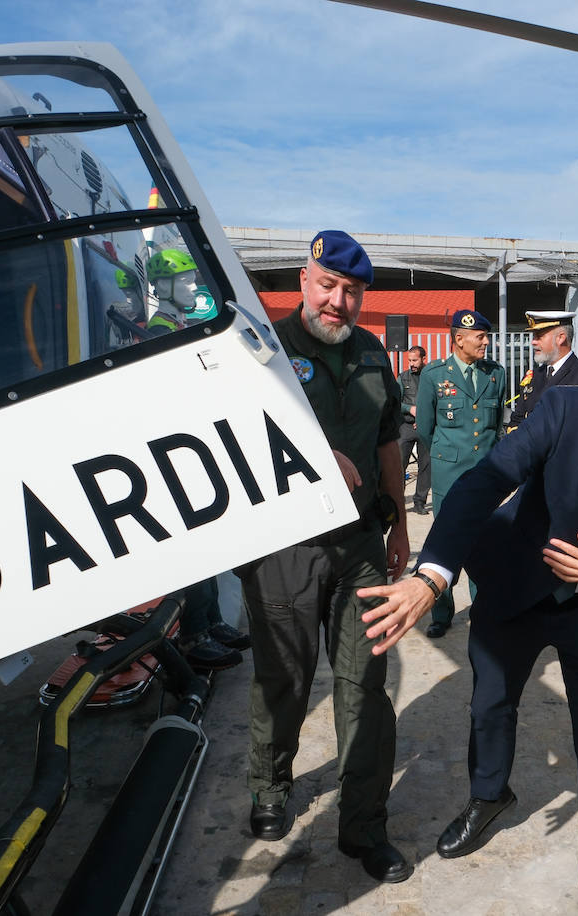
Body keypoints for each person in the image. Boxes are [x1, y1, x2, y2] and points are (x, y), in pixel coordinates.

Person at [359, 362, 578, 916]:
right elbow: (483, 483)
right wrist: (433, 574)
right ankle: (488, 796)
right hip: (517, 582)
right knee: (490, 704)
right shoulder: (569, 411)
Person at [236, 230, 414, 884]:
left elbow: (389, 438)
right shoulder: (265, 352)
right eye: (328, 286)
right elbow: (236, 441)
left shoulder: (372, 354)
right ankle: (271, 787)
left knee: (364, 683)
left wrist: (396, 524)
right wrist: (311, 454)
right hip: (284, 545)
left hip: (362, 545)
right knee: (283, 675)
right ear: (303, 282)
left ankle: (363, 826)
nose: (339, 302)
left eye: (353, 292)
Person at [414, 310, 507, 637]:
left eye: (486, 335)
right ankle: (442, 613)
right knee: (445, 544)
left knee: (484, 545)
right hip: (448, 475)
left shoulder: (496, 374)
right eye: (480, 337)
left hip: (485, 476)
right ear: (459, 339)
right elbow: (425, 428)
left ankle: (483, 611)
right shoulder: (434, 375)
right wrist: (448, 455)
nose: (486, 342)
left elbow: (497, 426)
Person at [505, 310, 578, 432]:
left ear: (561, 338)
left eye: (539, 336)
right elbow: (517, 419)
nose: (533, 342)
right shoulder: (533, 377)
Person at [143, 248, 218, 331]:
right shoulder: (160, 330)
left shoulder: (175, 321)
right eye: (186, 282)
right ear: (163, 285)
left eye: (193, 281)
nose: (194, 288)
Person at [396, 345, 431, 516]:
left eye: (415, 360)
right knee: (398, 465)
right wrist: (410, 409)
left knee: (425, 465)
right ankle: (397, 501)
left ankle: (419, 502)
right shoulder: (403, 378)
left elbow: (438, 401)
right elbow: (395, 401)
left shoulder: (431, 377)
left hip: (426, 427)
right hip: (407, 427)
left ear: (424, 359)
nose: (411, 363)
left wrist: (425, 418)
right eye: (409, 360)